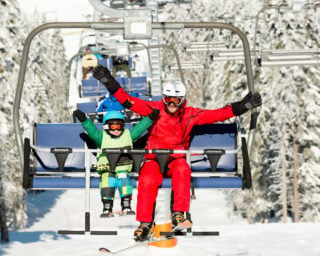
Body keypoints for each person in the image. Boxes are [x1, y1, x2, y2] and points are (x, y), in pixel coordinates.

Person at [92, 65, 262, 241]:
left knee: (183, 170)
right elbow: (127, 101)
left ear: (182, 100)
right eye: (168, 100)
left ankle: (179, 213)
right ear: (164, 99)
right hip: (154, 158)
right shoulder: (154, 109)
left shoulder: (190, 115)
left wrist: (243, 106)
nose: (172, 104)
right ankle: (144, 223)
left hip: (176, 158)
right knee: (147, 179)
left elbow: (216, 115)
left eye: (176, 100)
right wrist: (108, 81)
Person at [73, 109, 160, 218]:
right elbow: (91, 130)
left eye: (119, 126)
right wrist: (83, 119)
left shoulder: (128, 135)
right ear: (106, 127)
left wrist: (150, 117)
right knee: (108, 182)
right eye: (113, 126)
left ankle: (126, 204)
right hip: (107, 168)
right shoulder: (102, 137)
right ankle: (107, 206)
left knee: (124, 181)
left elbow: (139, 128)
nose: (116, 130)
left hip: (123, 167)